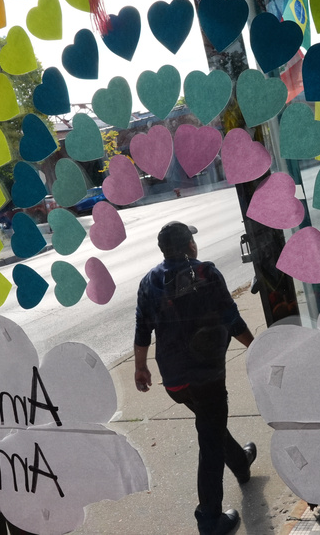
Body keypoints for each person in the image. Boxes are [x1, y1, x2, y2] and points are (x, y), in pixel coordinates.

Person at [134, 221, 257, 535]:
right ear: (190, 245)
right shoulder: (206, 274)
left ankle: (241, 463)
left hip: (175, 379)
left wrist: (141, 367)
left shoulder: (149, 282)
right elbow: (230, 317)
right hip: (207, 375)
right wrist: (256, 348)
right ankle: (210, 519)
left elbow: (142, 328)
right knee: (210, 438)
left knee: (210, 422)